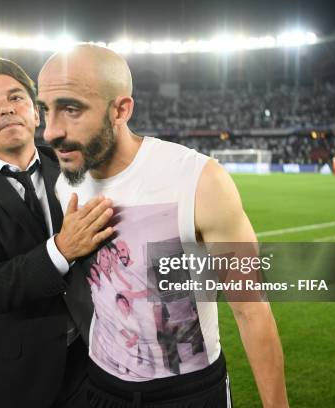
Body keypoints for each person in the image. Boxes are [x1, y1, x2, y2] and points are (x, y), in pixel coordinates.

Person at [38, 45, 288, 407]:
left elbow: (250, 309)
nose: (50, 132)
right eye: (46, 110)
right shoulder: (67, 184)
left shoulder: (199, 180)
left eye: (71, 109)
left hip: (188, 392)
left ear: (120, 110)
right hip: (100, 385)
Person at [0, 57, 114, 408]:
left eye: (16, 98)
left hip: (93, 359)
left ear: (36, 114)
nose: (6, 109)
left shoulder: (76, 166)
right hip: (14, 377)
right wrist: (61, 249)